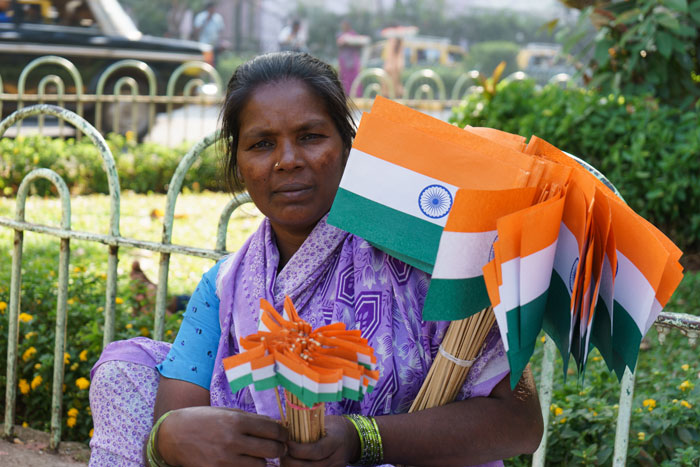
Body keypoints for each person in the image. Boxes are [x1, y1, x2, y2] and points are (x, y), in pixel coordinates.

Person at [88, 52, 543, 467]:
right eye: (262, 144)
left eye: (309, 137)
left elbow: (519, 422)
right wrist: (168, 439)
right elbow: (178, 413)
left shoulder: (428, 260)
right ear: (239, 162)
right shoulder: (227, 286)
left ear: (348, 147)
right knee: (125, 373)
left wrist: (361, 439)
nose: (287, 161)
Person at [336, 20, 368, 97]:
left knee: (355, 79)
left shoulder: (353, 35)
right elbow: (340, 45)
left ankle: (356, 96)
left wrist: (352, 41)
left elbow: (360, 44)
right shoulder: (341, 36)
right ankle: (346, 95)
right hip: (344, 61)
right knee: (345, 79)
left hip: (353, 61)